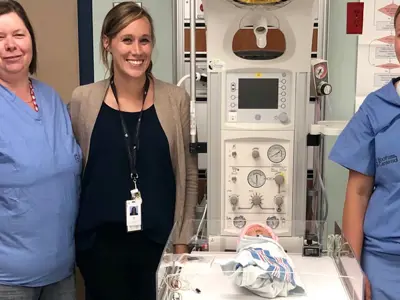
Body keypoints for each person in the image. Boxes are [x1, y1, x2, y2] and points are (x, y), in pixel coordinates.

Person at [67, 2, 198, 300]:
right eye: (126, 39)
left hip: (159, 247)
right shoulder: (83, 100)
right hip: (99, 248)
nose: (136, 50)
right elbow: (72, 174)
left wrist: (181, 243)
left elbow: (188, 174)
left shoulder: (176, 99)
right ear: (107, 43)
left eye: (144, 40)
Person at [0, 1, 82, 299]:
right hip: (9, 279)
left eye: (18, 35)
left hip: (61, 273)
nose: (10, 45)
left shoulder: (51, 99)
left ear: (31, 39)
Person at [329, 6, 400, 300]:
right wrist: (352, 269)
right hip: (385, 262)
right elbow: (358, 192)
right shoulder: (378, 108)